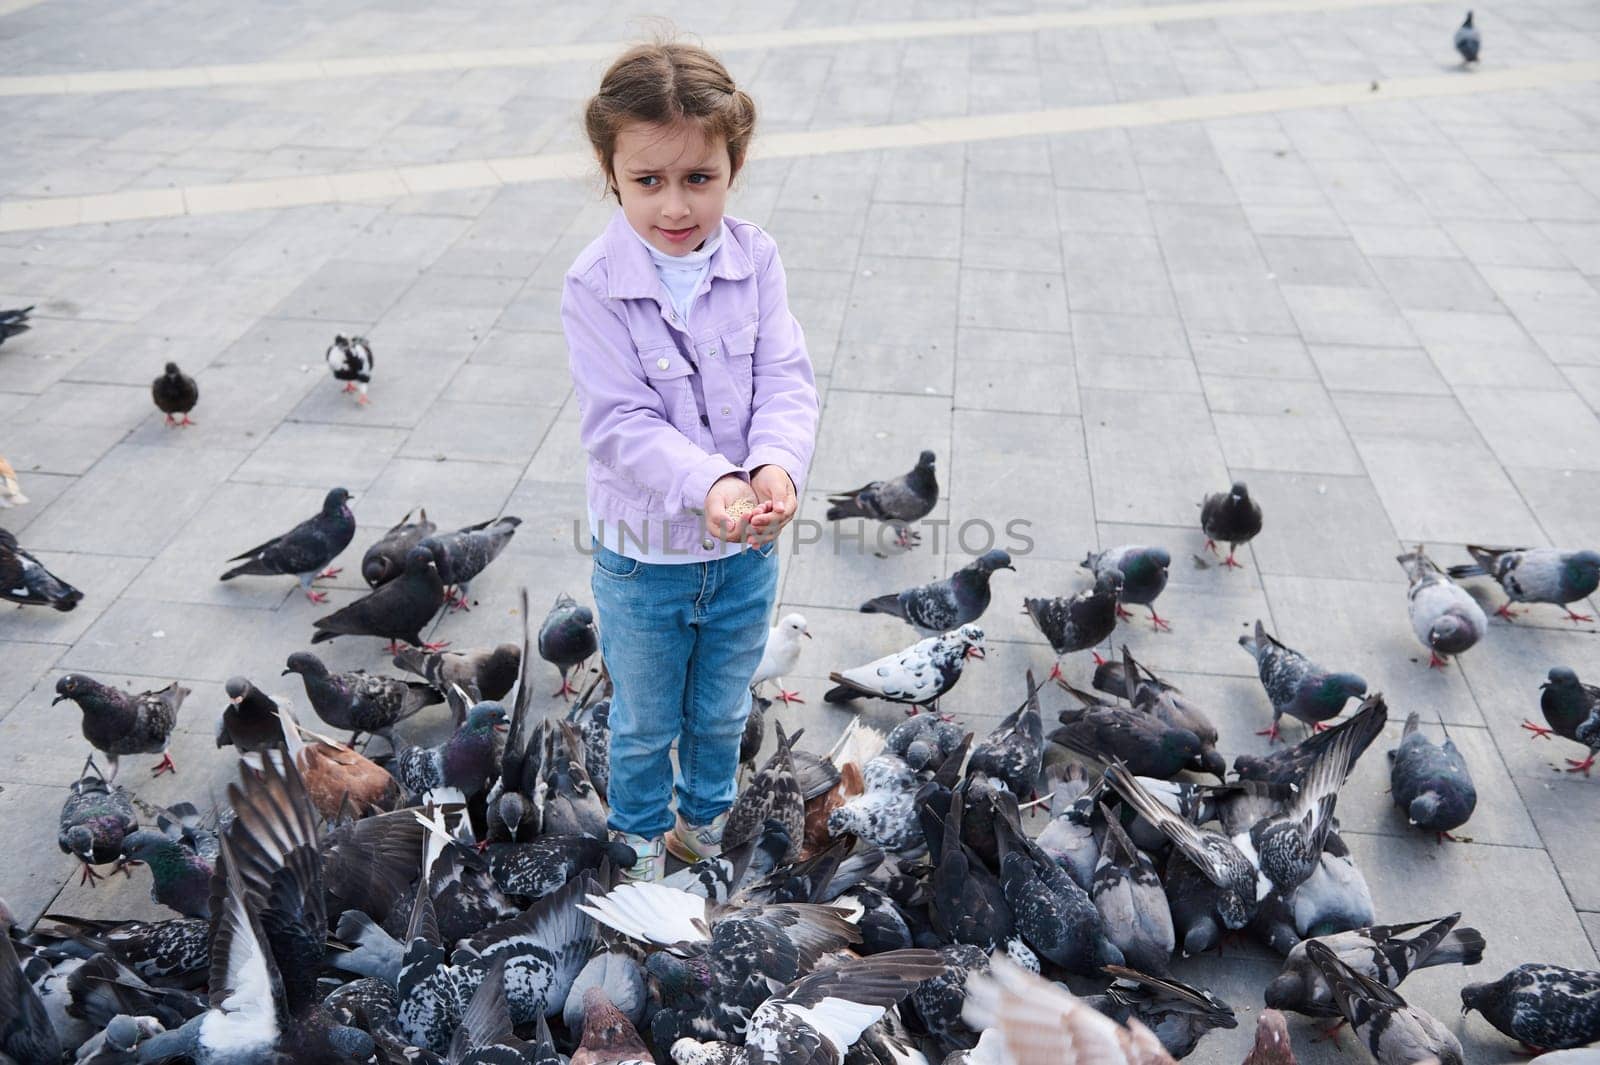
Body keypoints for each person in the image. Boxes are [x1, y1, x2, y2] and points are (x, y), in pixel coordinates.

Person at [563, 40, 819, 882]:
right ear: (611, 170)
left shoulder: (757, 259)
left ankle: (703, 826)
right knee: (642, 719)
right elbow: (620, 421)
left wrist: (776, 464)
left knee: (719, 711)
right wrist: (709, 479)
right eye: (649, 181)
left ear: (733, 164)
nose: (675, 205)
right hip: (645, 561)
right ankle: (637, 837)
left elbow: (784, 377)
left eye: (698, 179)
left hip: (744, 552)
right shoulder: (594, 283)